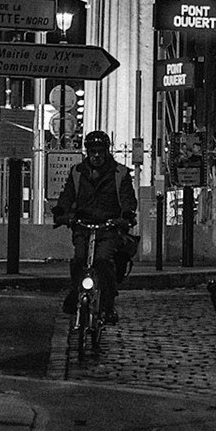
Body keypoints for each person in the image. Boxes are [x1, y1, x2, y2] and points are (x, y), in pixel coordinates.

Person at [53, 130, 139, 325]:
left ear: (107, 151)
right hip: (83, 225)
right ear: (87, 152)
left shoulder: (120, 173)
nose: (97, 155)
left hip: (108, 227)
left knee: (102, 261)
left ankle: (108, 305)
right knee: (79, 260)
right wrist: (61, 212)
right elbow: (68, 195)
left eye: (101, 151)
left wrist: (125, 216)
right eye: (93, 151)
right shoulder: (77, 172)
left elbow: (127, 198)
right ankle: (76, 293)